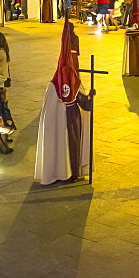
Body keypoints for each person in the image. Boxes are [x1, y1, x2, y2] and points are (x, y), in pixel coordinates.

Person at [34, 21, 95, 185]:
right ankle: (61, 171)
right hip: (67, 119)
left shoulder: (74, 81)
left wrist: (89, 97)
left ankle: (73, 172)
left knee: (73, 145)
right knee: (61, 146)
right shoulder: (54, 86)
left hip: (73, 118)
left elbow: (83, 102)